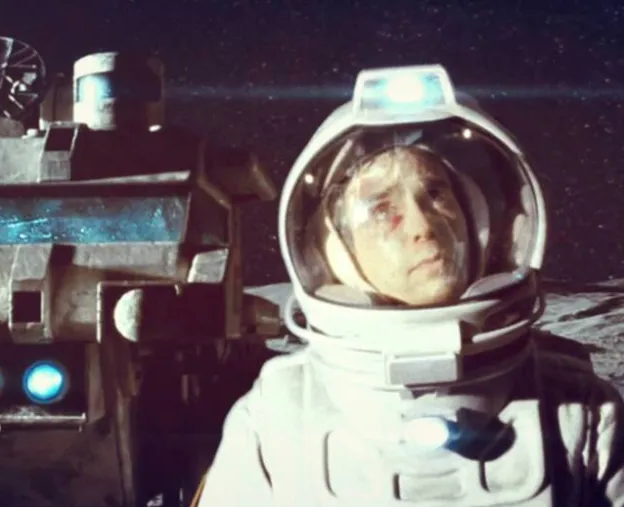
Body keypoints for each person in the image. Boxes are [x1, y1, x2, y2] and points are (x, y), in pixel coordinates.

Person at [193, 65, 624, 507]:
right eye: (382, 210)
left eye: (436, 195)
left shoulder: (580, 412)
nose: (424, 226)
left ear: (476, 217)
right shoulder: (277, 418)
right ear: (336, 251)